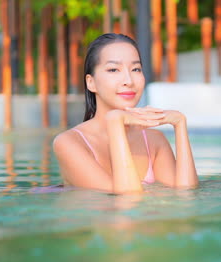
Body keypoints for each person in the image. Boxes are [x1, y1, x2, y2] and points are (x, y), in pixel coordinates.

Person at [53, 33, 198, 194]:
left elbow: (186, 195)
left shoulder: (154, 140)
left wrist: (180, 123)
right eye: (114, 69)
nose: (128, 80)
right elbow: (125, 201)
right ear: (91, 82)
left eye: (136, 69)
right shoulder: (68, 143)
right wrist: (115, 123)